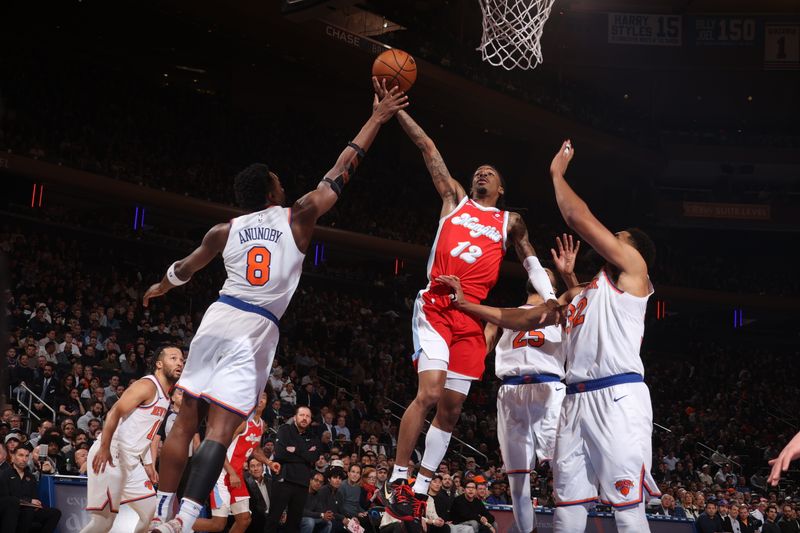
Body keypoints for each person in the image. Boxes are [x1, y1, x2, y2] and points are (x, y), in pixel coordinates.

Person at [145, 85, 408, 533]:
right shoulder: (297, 215)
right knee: (218, 431)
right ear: (270, 189)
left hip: (217, 315)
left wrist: (159, 286)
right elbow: (342, 168)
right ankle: (184, 521)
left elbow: (184, 269)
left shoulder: (223, 231)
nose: (285, 185)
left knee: (185, 415)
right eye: (279, 181)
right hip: (255, 328)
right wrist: (377, 119)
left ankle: (159, 515)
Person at [437, 140, 658, 533]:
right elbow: (522, 320)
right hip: (574, 400)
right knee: (567, 506)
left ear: (633, 251)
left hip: (618, 398)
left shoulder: (635, 273)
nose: (611, 238)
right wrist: (467, 305)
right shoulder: (584, 291)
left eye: (619, 236)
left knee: (626, 507)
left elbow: (578, 217)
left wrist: (557, 174)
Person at [374, 81, 558, 522]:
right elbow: (428, 147)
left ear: (501, 188)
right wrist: (394, 111)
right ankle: (398, 477)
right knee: (431, 392)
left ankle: (420, 487)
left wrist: (552, 298)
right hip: (438, 305)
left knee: (452, 409)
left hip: (471, 314)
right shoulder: (454, 200)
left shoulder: (509, 222)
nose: (480, 174)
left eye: (489, 173)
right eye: (477, 170)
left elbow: (530, 259)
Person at [482, 235, 578, 533]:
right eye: (542, 273)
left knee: (563, 466)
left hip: (549, 390)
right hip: (511, 392)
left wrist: (568, 274)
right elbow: (482, 352)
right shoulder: (502, 316)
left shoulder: (562, 313)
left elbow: (580, 296)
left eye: (550, 276)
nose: (544, 275)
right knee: (517, 478)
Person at [79, 345, 183, 533]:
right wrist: (104, 448)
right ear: (159, 364)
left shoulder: (166, 397)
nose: (179, 363)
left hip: (132, 462)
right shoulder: (147, 385)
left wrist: (149, 464)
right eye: (173, 358)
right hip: (112, 454)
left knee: (151, 514)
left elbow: (147, 433)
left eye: (182, 360)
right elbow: (114, 412)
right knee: (102, 523)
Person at [191, 391, 277, 533]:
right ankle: (174, 524)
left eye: (264, 397)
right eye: (259, 396)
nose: (261, 399)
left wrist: (268, 462)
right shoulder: (242, 422)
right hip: (221, 472)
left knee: (244, 519)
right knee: (218, 524)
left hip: (236, 475)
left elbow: (255, 449)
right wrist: (231, 472)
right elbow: (221, 446)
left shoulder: (261, 425)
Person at [266, 406, 322, 531]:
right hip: (283, 481)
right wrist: (305, 453)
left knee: (294, 523)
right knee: (273, 519)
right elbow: (280, 453)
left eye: (308, 416)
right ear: (295, 417)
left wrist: (295, 449)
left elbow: (313, 457)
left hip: (302, 484)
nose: (304, 418)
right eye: (302, 415)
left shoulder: (313, 436)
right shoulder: (285, 430)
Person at [0, 446, 62, 533]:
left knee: (55, 513)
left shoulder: (30, 477)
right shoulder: (4, 474)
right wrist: (28, 501)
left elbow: (35, 498)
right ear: (13, 457)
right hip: (10, 509)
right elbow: (6, 498)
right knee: (20, 506)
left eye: (26, 456)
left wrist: (35, 504)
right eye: (21, 455)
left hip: (28, 508)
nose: (24, 459)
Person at [244, 456, 271, 533]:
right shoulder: (246, 485)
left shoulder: (271, 482)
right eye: (252, 466)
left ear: (263, 467)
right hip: (257, 522)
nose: (256, 469)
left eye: (258, 465)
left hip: (273, 519)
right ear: (249, 470)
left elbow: (278, 501)